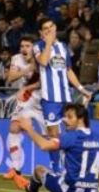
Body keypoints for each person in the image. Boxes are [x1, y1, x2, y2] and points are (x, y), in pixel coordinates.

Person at [12, 103, 99, 192]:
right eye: (65, 117)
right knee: (60, 174)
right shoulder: (97, 137)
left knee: (39, 170)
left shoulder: (71, 137)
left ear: (80, 119)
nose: (65, 120)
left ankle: (31, 189)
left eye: (70, 117)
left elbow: (44, 146)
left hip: (68, 191)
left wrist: (29, 129)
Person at [34, 17, 92, 173]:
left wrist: (81, 89)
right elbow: (44, 62)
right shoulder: (38, 46)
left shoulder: (63, 47)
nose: (49, 30)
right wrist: (47, 42)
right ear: (41, 33)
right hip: (50, 99)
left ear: (55, 27)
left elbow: (68, 71)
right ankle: (55, 168)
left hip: (66, 98)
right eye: (45, 28)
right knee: (53, 134)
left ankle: (71, 166)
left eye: (51, 26)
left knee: (70, 134)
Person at [2, 36, 44, 180]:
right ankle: (16, 168)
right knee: (14, 128)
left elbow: (42, 82)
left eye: (27, 46)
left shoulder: (41, 58)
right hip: (25, 100)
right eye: (22, 46)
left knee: (51, 136)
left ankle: (61, 167)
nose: (24, 49)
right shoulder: (16, 58)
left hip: (42, 102)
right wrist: (28, 68)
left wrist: (27, 87)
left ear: (34, 47)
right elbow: (11, 77)